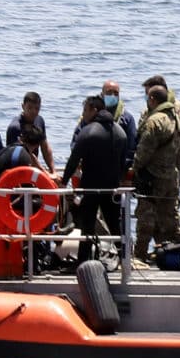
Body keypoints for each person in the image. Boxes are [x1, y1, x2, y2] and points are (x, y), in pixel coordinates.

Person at [60, 94, 128, 263]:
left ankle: (83, 262)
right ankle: (126, 259)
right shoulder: (120, 132)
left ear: (94, 110)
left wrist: (64, 181)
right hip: (111, 188)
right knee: (115, 226)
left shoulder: (88, 131)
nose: (83, 115)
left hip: (90, 188)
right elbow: (123, 163)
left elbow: (74, 159)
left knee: (87, 228)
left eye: (85, 110)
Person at [130, 75, 180, 262]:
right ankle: (169, 254)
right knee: (168, 215)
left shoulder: (161, 117)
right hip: (170, 173)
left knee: (150, 216)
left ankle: (143, 254)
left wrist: (134, 168)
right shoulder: (172, 113)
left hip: (155, 173)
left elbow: (146, 147)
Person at [7, 91, 55, 171]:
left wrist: (53, 171)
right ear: (23, 106)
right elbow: (23, 153)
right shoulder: (15, 128)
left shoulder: (39, 121)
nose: (33, 111)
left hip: (32, 168)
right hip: (16, 168)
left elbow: (45, 147)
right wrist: (45, 173)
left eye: (37, 108)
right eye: (29, 107)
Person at [101, 80, 137, 164]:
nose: (112, 96)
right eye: (109, 92)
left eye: (116, 93)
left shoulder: (126, 118)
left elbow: (131, 147)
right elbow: (78, 139)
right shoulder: (92, 113)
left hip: (118, 165)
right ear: (102, 94)